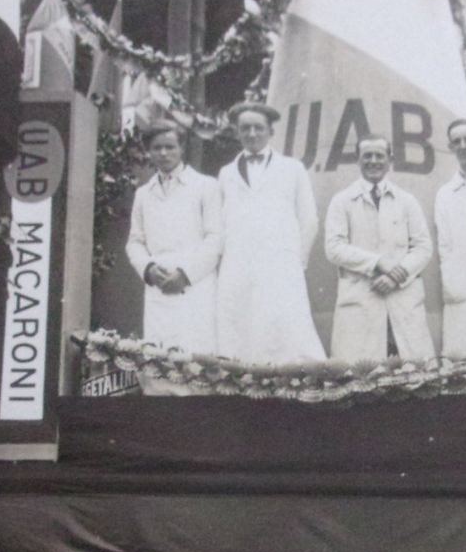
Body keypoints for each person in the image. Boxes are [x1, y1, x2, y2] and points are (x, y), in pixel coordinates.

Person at [213, 102, 326, 364]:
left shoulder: (292, 168)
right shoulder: (226, 173)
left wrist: (297, 260)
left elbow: (309, 219)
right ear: (237, 133)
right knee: (240, 325)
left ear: (270, 131)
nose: (252, 134)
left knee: (284, 324)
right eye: (245, 129)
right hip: (238, 262)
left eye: (258, 128)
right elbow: (220, 221)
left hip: (281, 261)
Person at [324, 134, 435, 362]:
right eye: (367, 155)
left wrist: (395, 276)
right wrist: (378, 263)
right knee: (359, 376)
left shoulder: (406, 200)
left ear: (389, 159)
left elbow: (423, 247)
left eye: (379, 155)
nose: (373, 161)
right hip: (361, 298)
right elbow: (334, 247)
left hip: (401, 297)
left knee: (411, 376)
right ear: (358, 160)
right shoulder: (342, 201)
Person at [125, 120, 222, 354]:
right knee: (158, 360)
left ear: (182, 149)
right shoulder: (143, 194)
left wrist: (185, 274)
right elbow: (135, 241)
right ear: (149, 151)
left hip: (195, 286)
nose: (164, 153)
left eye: (170, 146)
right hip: (158, 286)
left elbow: (215, 239)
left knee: (195, 359)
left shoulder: (205, 186)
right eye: (157, 148)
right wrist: (148, 269)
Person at [433, 118, 466, 358]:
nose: (463, 146)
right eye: (457, 141)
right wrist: (452, 283)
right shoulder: (445, 193)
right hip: (462, 282)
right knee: (461, 356)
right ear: (450, 147)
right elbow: (445, 246)